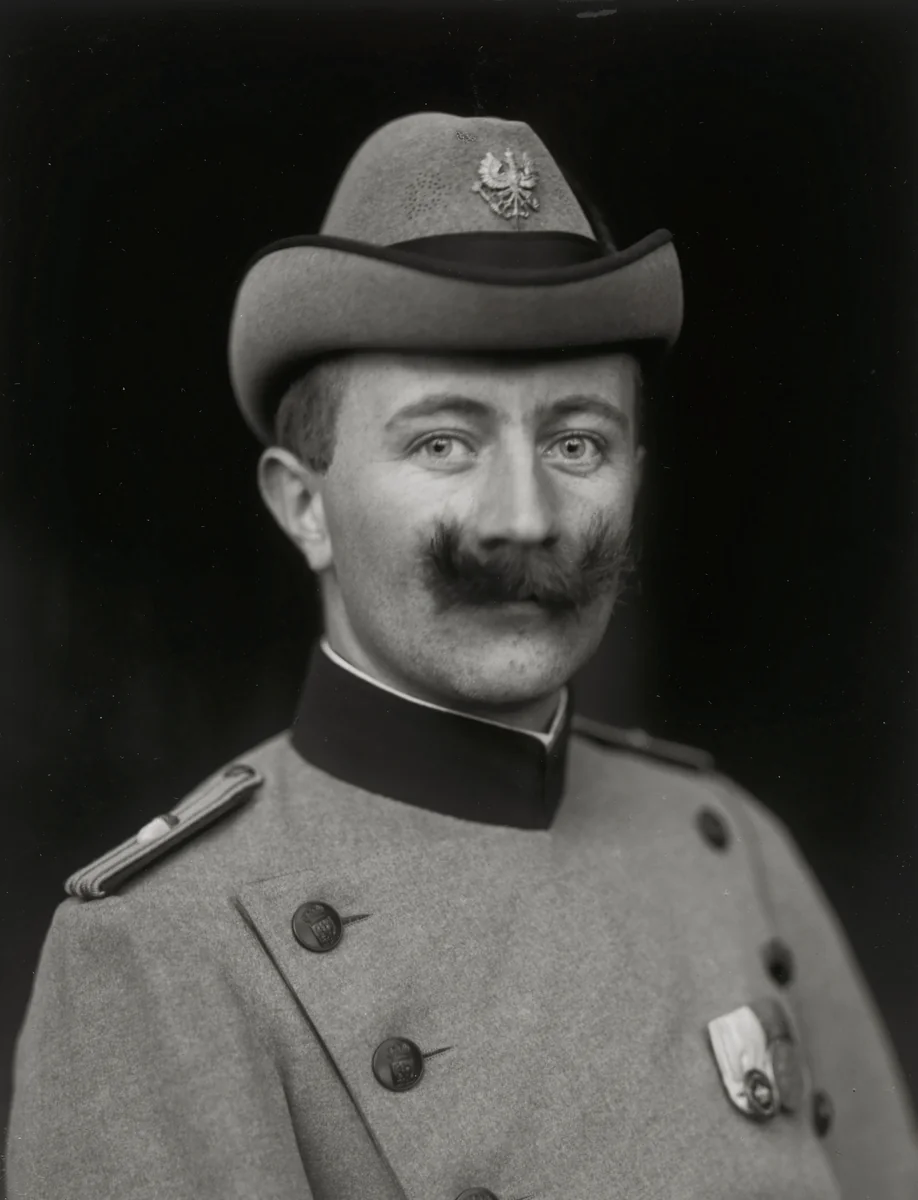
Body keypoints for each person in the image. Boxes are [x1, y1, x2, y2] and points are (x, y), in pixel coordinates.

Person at [6, 111, 917, 1200]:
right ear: (305, 507)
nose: (525, 519)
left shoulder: (729, 845)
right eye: (444, 444)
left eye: (578, 443)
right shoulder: (162, 951)